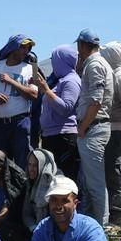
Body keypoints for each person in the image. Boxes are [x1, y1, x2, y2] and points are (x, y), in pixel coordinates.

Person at [75, 29, 114, 226]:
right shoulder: (95, 63)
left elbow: (96, 101)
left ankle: (101, 226)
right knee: (92, 183)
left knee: (95, 184)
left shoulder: (95, 64)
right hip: (94, 127)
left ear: (82, 45)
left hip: (93, 128)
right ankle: (95, 223)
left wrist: (83, 126)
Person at [0, 34, 37, 169]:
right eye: (23, 47)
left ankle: (22, 189)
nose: (26, 51)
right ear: (13, 47)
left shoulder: (31, 69)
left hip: (20, 123)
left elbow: (33, 95)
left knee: (22, 162)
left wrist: (11, 81)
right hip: (0, 123)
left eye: (28, 48)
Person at [36, 44, 80, 180]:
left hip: (63, 137)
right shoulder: (58, 79)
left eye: (54, 60)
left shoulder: (71, 80)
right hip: (52, 135)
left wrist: (47, 91)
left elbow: (65, 108)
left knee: (64, 178)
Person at [101, 41, 121, 223]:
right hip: (113, 129)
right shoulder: (114, 73)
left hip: (118, 130)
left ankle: (118, 215)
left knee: (116, 173)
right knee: (110, 172)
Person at [22, 148, 58, 232]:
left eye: (35, 165)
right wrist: (33, 227)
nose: (31, 169)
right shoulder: (30, 184)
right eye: (29, 164)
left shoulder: (55, 185)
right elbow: (26, 213)